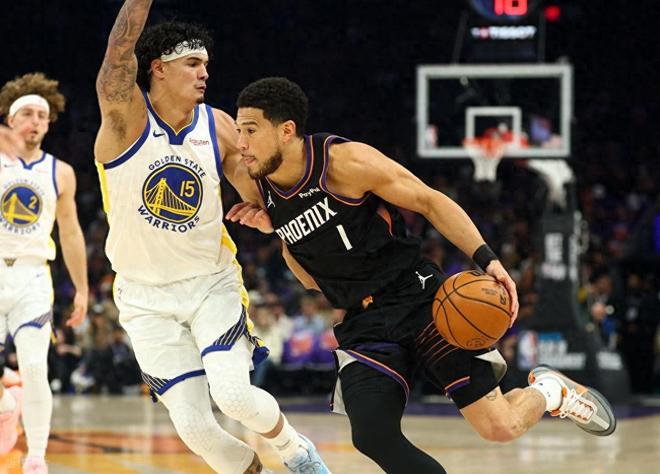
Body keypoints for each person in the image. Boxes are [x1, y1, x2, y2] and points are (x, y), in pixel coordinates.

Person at [228, 77, 618, 474]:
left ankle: (551, 391)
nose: (241, 142)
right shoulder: (262, 190)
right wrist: (278, 232)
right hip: (363, 323)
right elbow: (311, 281)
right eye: (239, 131)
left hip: (419, 299)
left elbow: (429, 202)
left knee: (500, 427)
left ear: (287, 130)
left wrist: (487, 259)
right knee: (371, 434)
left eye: (251, 130)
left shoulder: (345, 162)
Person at [93, 2, 330, 474]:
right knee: (196, 429)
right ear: (158, 68)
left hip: (210, 282)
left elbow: (258, 195)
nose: (204, 73)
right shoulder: (126, 118)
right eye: (192, 63)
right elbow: (118, 56)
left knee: (234, 396)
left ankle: (295, 451)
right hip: (143, 295)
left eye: (205, 64)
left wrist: (269, 215)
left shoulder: (218, 125)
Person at [0, 73, 89, 472]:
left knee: (36, 367)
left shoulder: (60, 172)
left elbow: (70, 232)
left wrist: (82, 289)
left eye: (42, 115)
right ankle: (7, 403)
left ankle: (36, 457)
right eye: (27, 114)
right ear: (11, 119)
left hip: (33, 278)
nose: (35, 121)